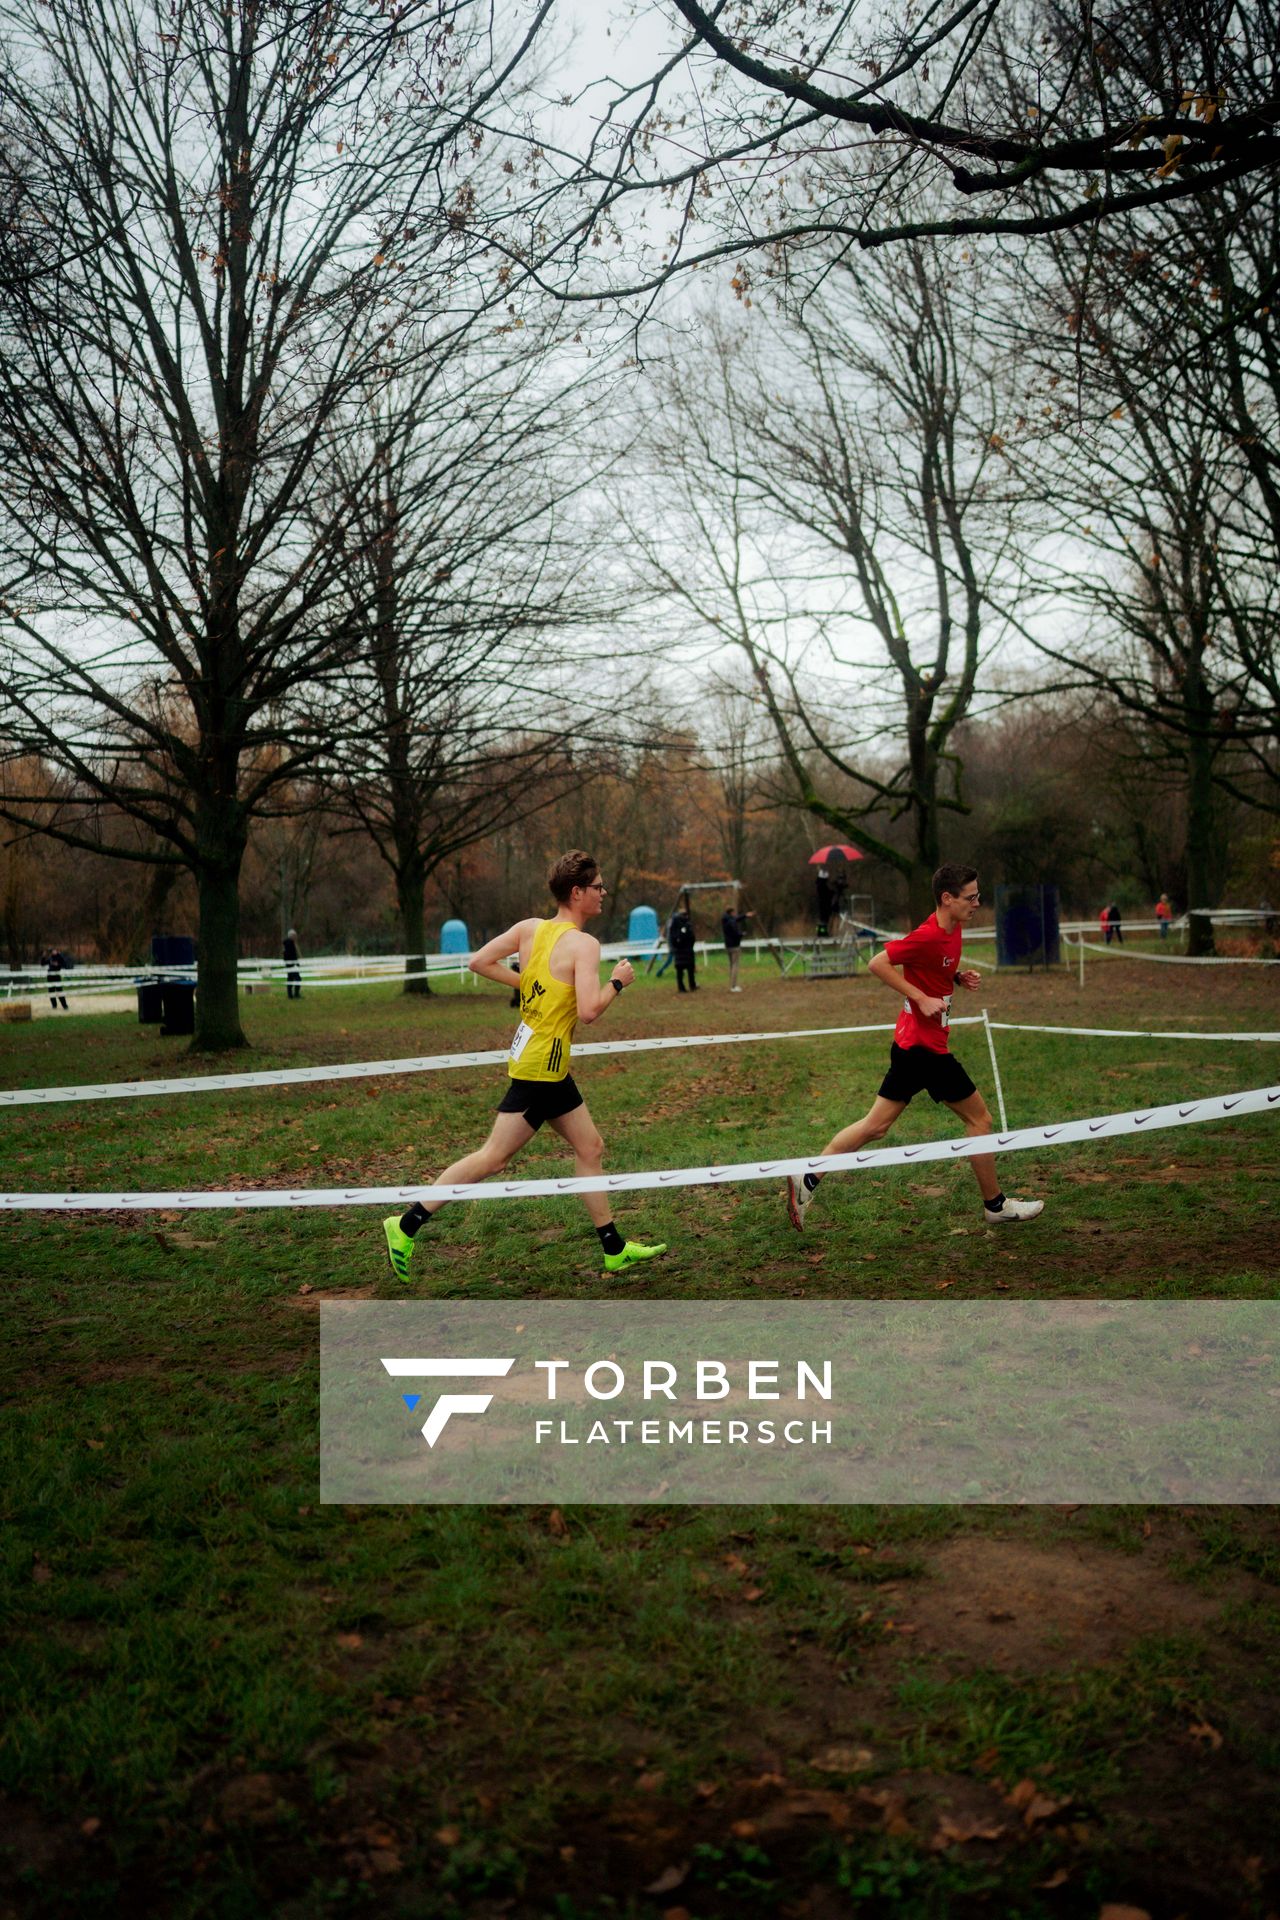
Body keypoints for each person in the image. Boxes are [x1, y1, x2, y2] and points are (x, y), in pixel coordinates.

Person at [382, 850, 667, 1281]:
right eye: (598, 887)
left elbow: (479, 962)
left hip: (545, 1064)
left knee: (590, 1148)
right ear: (577, 892)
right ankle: (405, 1226)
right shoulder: (585, 945)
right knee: (493, 1158)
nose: (603, 893)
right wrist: (616, 983)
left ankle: (613, 1247)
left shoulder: (529, 929)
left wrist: (531, 982)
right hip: (540, 1069)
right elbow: (589, 1011)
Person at [786, 864, 1044, 1231]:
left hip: (911, 1046)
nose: (977, 903)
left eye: (977, 896)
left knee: (875, 1126)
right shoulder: (927, 935)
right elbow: (878, 963)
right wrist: (921, 996)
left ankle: (806, 1179)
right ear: (947, 899)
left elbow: (931, 964)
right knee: (980, 1120)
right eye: (971, 897)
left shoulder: (953, 929)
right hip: (925, 1050)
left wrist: (954, 976)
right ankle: (996, 1205)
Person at [721, 903, 753, 991]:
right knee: (735, 965)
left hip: (728, 945)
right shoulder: (731, 922)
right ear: (732, 912)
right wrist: (741, 934)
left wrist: (745, 915)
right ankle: (734, 986)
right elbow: (735, 933)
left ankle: (731, 984)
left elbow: (736, 918)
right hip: (735, 945)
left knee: (731, 965)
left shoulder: (725, 920)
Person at [670, 905, 697, 992]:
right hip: (688, 951)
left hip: (678, 952)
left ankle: (681, 987)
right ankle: (692, 985)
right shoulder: (687, 925)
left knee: (679, 971)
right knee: (690, 970)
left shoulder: (673, 926)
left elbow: (671, 938)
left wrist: (675, 947)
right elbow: (692, 937)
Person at [283, 927, 302, 998]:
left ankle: (290, 995)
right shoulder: (289, 944)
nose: (296, 937)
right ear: (292, 936)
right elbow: (291, 955)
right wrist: (295, 963)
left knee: (290, 979)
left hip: (289, 964)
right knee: (297, 979)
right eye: (295, 936)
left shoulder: (289, 943)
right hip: (292, 965)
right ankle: (296, 994)